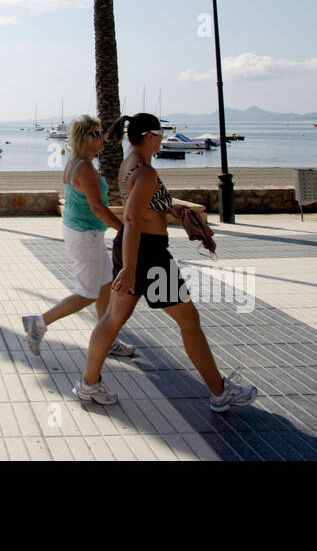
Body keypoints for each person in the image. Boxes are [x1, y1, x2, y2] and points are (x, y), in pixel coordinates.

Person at [73, 113, 256, 412]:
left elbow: (143, 207)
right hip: (148, 255)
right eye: (160, 133)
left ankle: (88, 383)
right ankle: (219, 392)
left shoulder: (130, 164)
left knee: (112, 319)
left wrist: (175, 209)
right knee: (189, 320)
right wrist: (131, 268)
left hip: (134, 250)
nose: (162, 138)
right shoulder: (144, 171)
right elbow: (131, 218)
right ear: (150, 136)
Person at [22, 115, 136, 359]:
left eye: (101, 133)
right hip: (86, 236)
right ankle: (39, 323)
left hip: (85, 232)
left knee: (105, 286)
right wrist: (123, 228)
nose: (102, 138)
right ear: (84, 139)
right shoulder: (83, 167)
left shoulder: (79, 162)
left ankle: (107, 338)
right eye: (96, 134)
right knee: (88, 292)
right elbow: (97, 207)